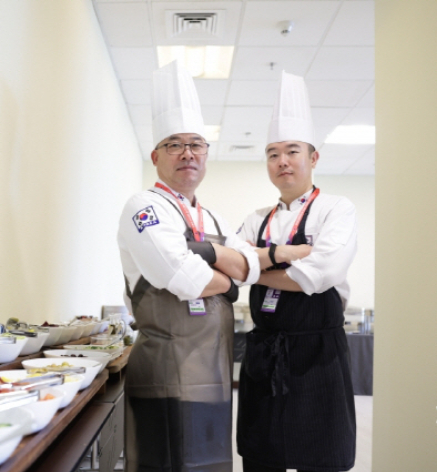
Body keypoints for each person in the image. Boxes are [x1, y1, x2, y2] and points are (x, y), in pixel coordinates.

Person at [117, 62, 305, 472]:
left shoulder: (214, 218)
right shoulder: (143, 207)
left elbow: (250, 266)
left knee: (210, 463)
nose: (188, 153)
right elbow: (184, 279)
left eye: (197, 144)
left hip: (214, 375)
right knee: (162, 461)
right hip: (163, 373)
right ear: (155, 155)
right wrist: (230, 277)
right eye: (174, 144)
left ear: (206, 154)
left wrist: (208, 256)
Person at [235, 71, 358, 472]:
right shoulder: (256, 218)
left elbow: (317, 276)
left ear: (313, 157)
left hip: (318, 356)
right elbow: (229, 263)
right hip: (264, 354)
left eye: (292, 151)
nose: (282, 162)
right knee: (260, 458)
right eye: (272, 153)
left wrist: (256, 264)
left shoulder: (336, 209)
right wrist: (289, 254)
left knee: (322, 458)